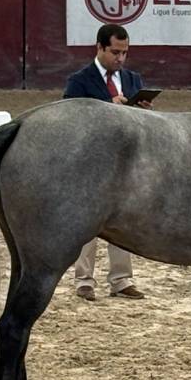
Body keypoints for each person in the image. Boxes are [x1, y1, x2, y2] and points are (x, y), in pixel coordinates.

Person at [61, 23, 153, 301]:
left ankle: (121, 279)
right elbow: (69, 118)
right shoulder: (80, 81)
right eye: (115, 52)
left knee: (123, 222)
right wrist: (108, 106)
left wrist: (143, 111)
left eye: (125, 53)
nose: (121, 58)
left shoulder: (134, 79)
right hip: (90, 162)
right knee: (89, 223)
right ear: (99, 48)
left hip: (125, 163)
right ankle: (84, 280)